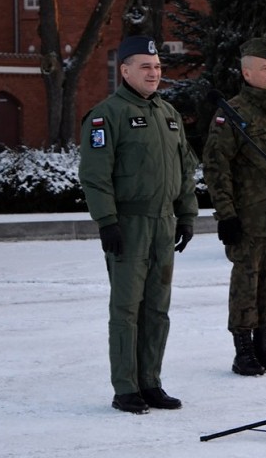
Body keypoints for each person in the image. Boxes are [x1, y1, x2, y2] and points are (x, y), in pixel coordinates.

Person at [78, 35, 198, 414]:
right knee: (127, 308)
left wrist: (187, 214)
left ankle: (151, 383)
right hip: (129, 224)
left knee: (157, 309)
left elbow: (185, 169)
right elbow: (95, 175)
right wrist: (107, 221)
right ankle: (126, 387)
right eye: (145, 66)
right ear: (124, 70)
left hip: (163, 223)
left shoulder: (168, 114)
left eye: (158, 67)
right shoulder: (106, 115)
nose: (154, 73)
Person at [202, 37, 266, 376]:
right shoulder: (232, 114)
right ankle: (243, 349)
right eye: (265, 68)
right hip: (250, 219)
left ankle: (265, 343)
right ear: (247, 73)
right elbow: (217, 168)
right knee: (246, 283)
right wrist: (226, 215)